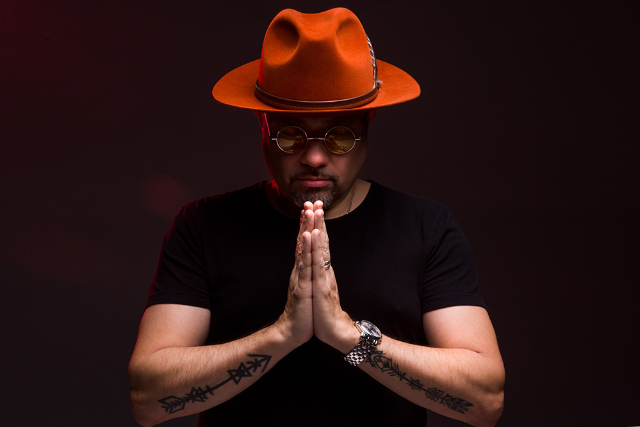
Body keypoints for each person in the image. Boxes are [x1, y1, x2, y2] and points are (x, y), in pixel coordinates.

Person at [128, 7, 505, 427]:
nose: (313, 157)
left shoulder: (426, 229)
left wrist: (347, 335)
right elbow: (147, 399)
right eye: (290, 135)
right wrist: (283, 334)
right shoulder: (203, 226)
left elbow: (485, 401)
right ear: (261, 123)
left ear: (368, 123)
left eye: (339, 136)